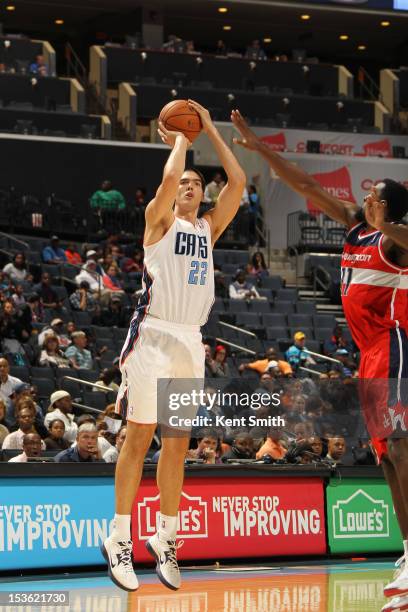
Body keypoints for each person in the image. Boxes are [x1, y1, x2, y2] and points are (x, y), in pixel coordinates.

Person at [231, 109, 408, 607]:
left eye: (374, 196)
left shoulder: (394, 247)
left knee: (400, 450)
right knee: (386, 461)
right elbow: (305, 182)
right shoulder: (356, 229)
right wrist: (259, 147)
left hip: (395, 346)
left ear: (389, 208)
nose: (364, 198)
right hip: (368, 354)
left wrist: (390, 226)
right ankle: (407, 551)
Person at [102, 99, 245, 592]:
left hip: (190, 342)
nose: (188, 185)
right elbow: (166, 183)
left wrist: (210, 129)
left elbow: (240, 184)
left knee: (178, 443)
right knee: (139, 435)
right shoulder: (157, 221)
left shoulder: (208, 228)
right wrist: (181, 139)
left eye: (195, 184)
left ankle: (165, 537)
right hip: (153, 335)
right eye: (184, 181)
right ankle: (119, 535)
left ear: (202, 196)